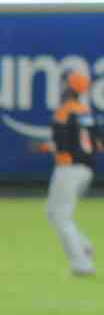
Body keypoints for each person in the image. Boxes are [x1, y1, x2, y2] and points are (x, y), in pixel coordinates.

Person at [38, 69, 96, 278]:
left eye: (64, 84)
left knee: (61, 217)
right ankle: (84, 245)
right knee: (52, 212)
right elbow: (96, 142)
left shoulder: (63, 112)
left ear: (69, 88)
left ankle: (82, 265)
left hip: (68, 169)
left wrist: (44, 147)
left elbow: (60, 145)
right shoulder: (85, 111)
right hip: (86, 170)